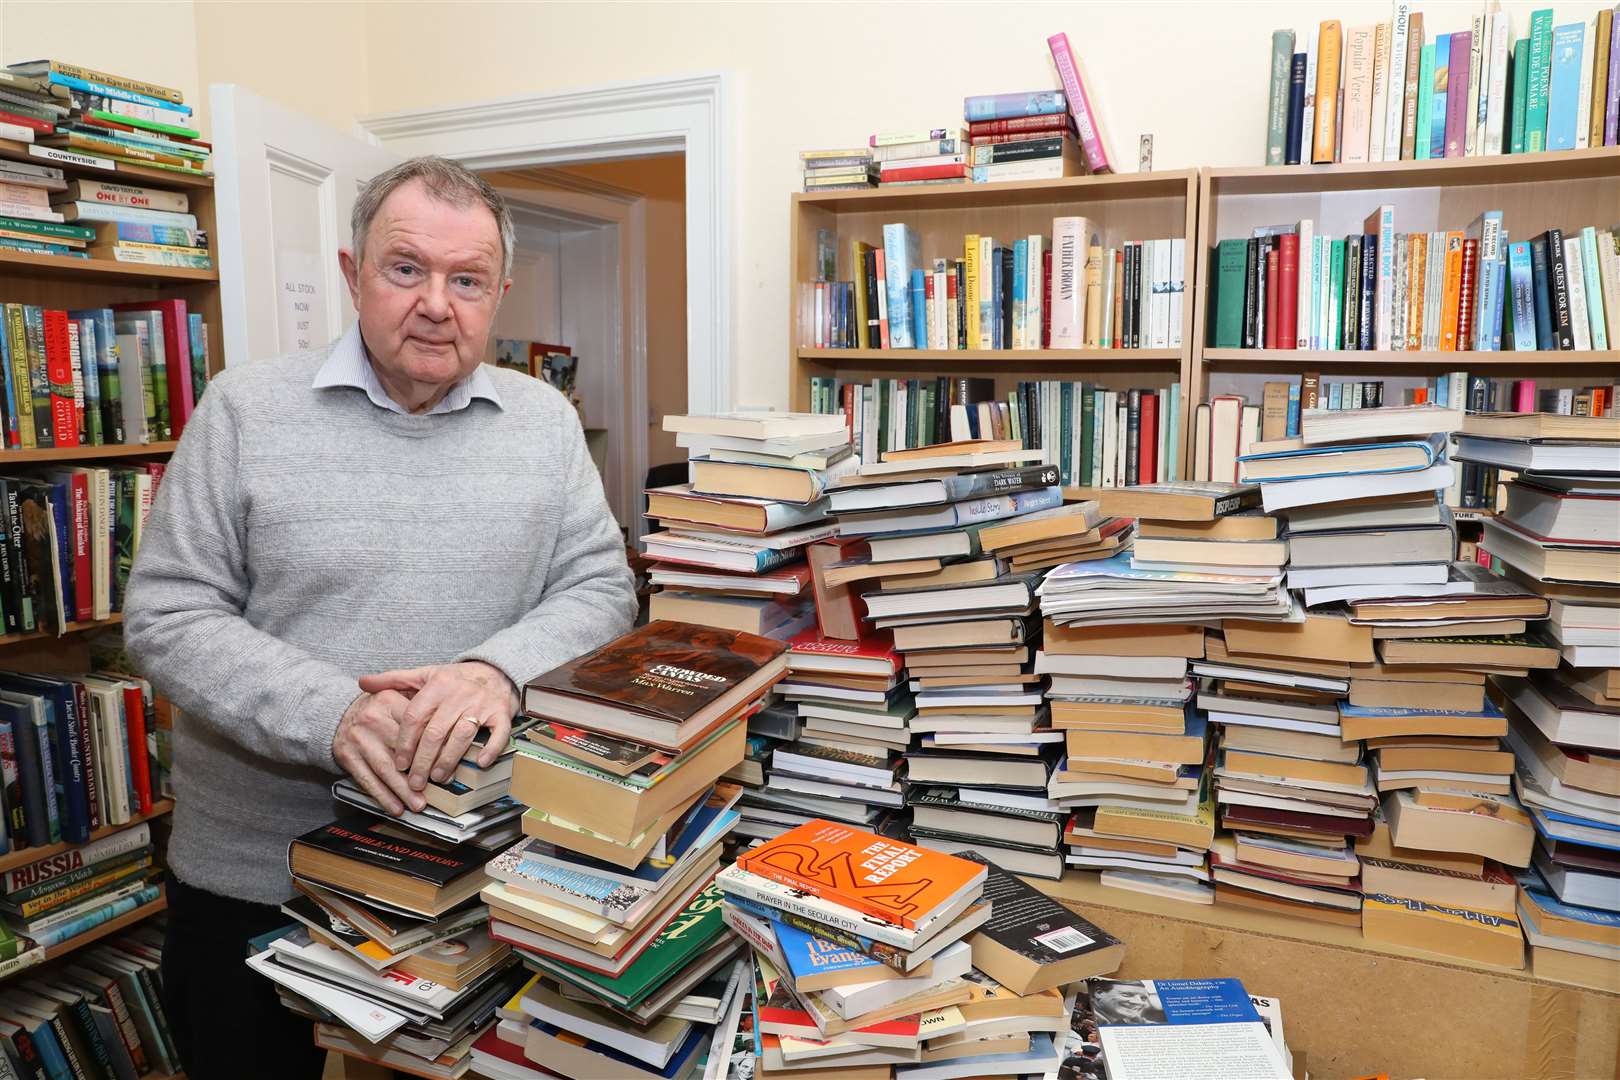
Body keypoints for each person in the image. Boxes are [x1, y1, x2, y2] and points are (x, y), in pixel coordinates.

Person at [123, 156, 638, 1079]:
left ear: (499, 294)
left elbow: (602, 589)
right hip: (258, 880)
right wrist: (336, 713)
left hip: (474, 873)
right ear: (352, 274)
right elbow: (166, 614)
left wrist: (496, 671)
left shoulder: (545, 421)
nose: (438, 303)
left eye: (467, 279)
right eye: (407, 269)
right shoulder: (245, 409)